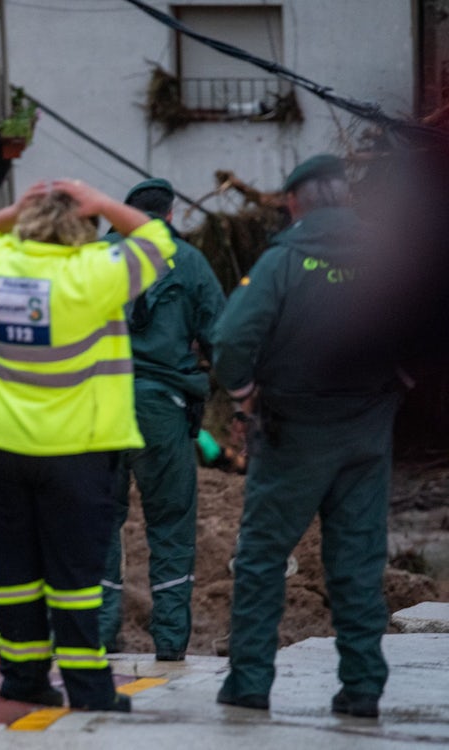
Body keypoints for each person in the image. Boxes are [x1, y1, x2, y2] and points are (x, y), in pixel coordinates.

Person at [0, 179, 176, 712]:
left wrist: (16, 207)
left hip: (2, 452)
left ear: (28, 225)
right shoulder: (95, 274)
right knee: (75, 578)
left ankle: (24, 680)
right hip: (76, 454)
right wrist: (101, 203)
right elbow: (157, 241)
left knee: (16, 576)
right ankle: (88, 690)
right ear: (83, 229)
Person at [211, 154, 403, 717]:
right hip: (368, 430)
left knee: (264, 557)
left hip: (293, 432)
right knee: (359, 561)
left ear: (295, 202)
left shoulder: (283, 260)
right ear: (345, 198)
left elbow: (230, 339)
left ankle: (249, 682)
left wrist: (246, 393)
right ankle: (362, 687)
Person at [97, 178, 226, 660]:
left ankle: (101, 633)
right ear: (169, 215)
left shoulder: (97, 256)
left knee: (99, 521)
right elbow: (223, 336)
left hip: (100, 407)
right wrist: (242, 398)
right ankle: (170, 644)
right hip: (163, 411)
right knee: (170, 525)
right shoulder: (189, 261)